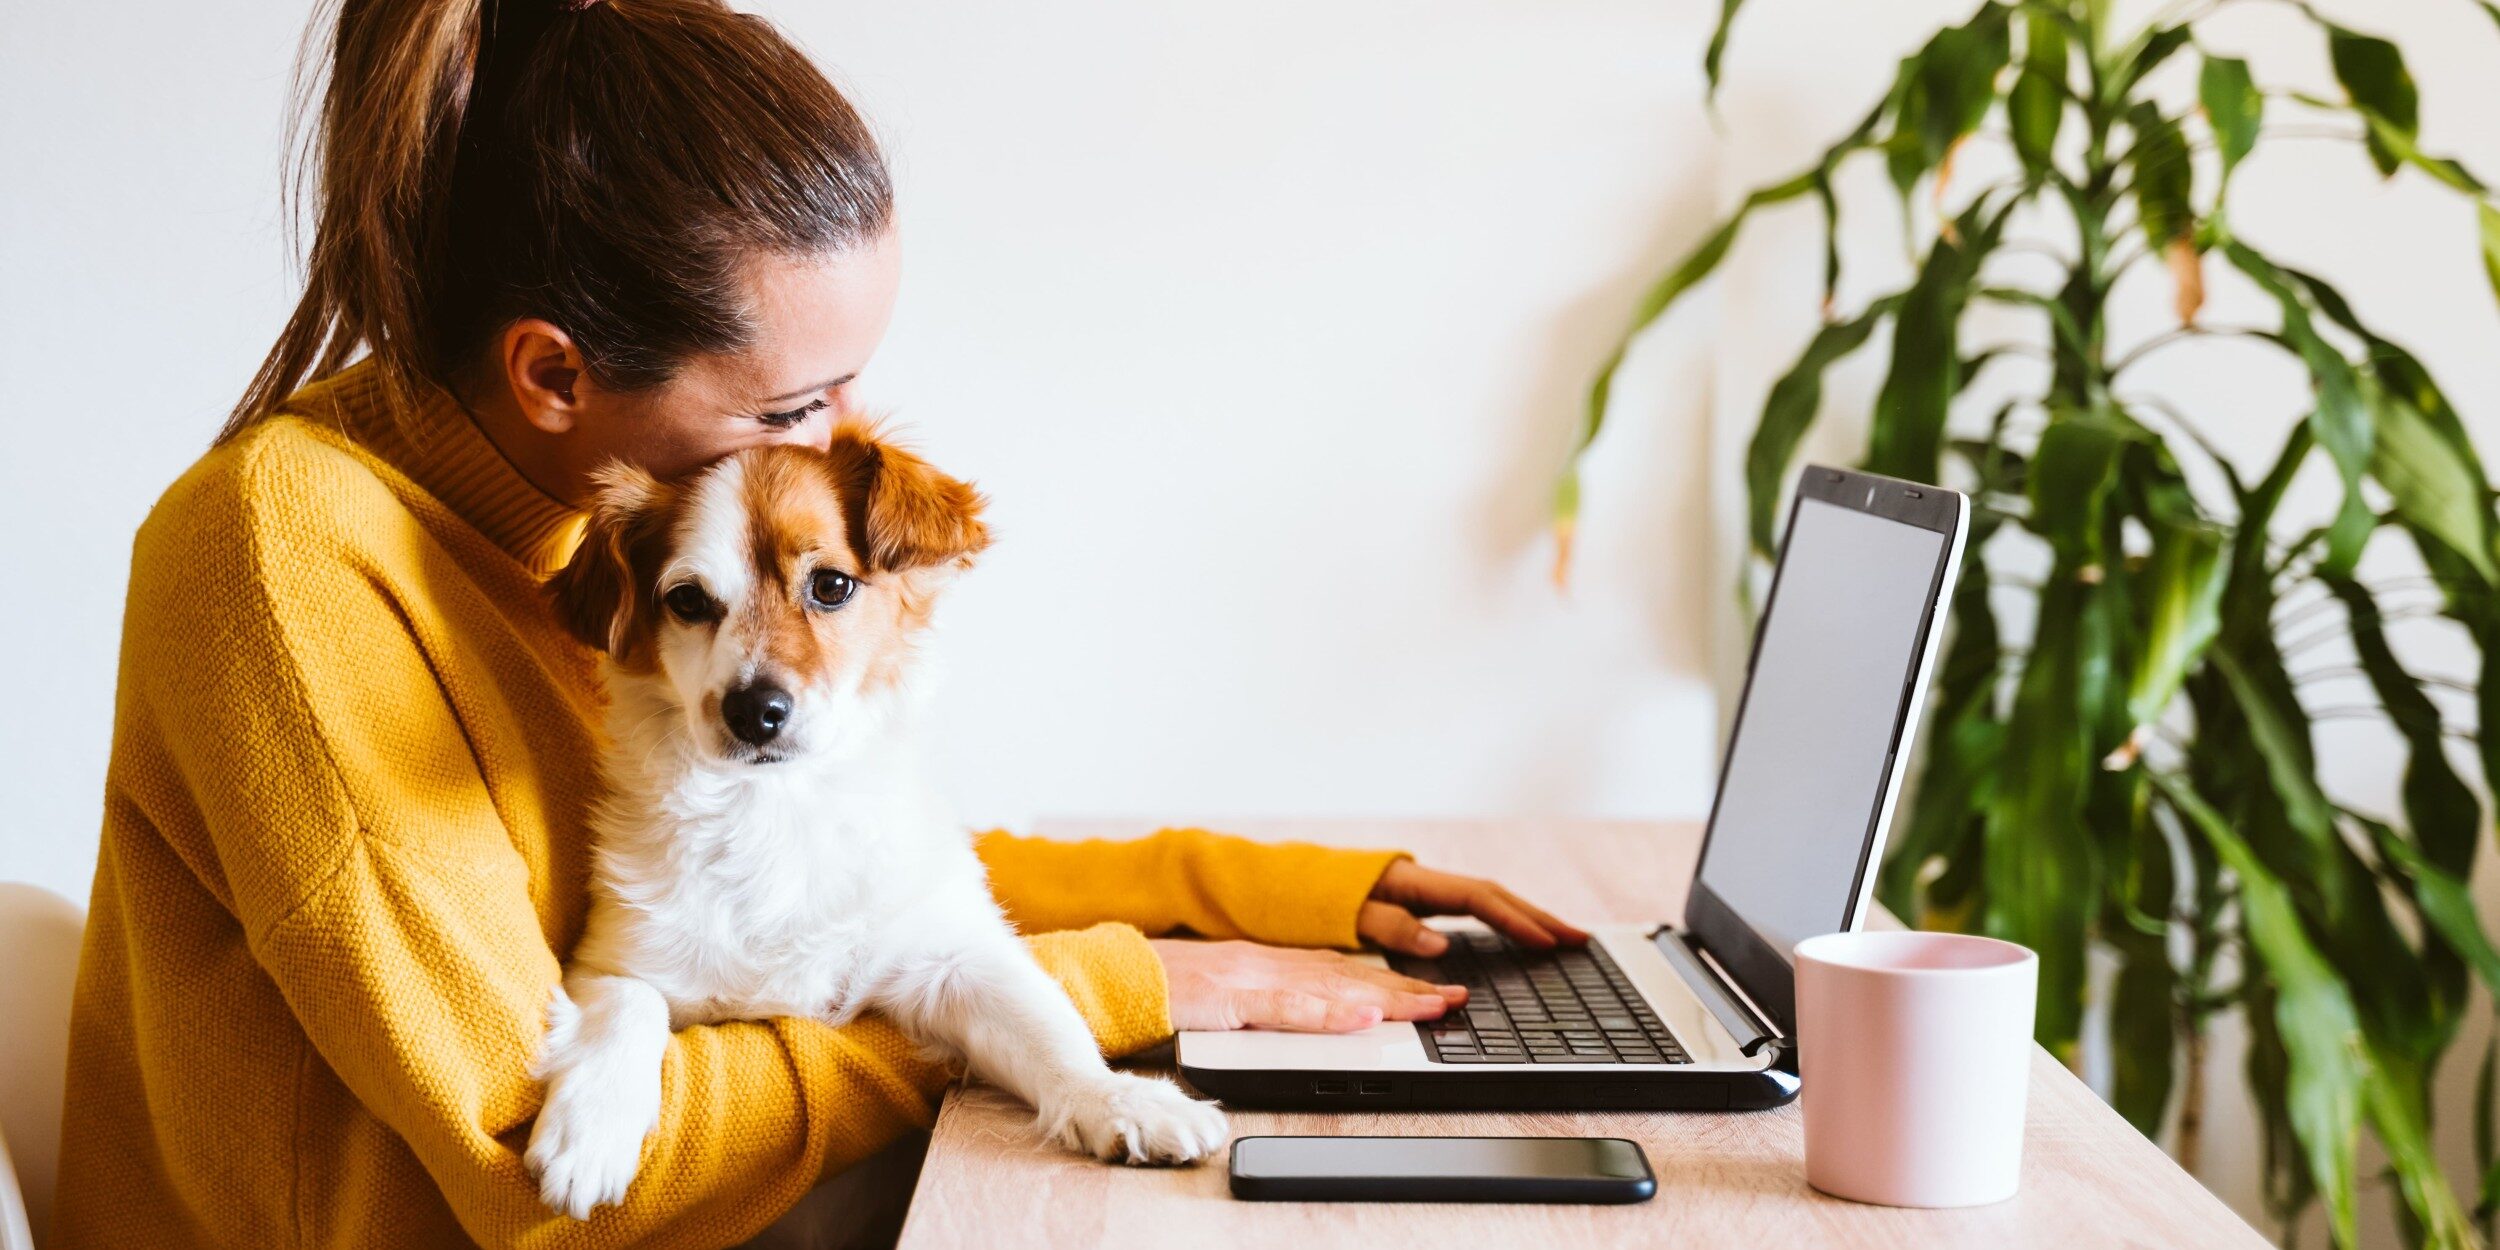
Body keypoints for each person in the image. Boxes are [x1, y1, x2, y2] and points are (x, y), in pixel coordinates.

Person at [51, 1, 1590, 1248]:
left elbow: (832, 874)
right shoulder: (289, 560)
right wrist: (1086, 997)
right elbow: (548, 1174)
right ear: (554, 377)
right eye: (795, 401)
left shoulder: (613, 528)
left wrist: (1269, 895)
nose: (842, 445)